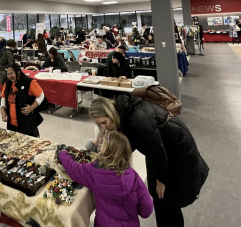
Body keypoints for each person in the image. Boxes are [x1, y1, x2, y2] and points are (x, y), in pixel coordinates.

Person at [89, 96, 209, 227]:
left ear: (110, 113)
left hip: (176, 152)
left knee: (169, 200)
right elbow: (133, 142)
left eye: (104, 122)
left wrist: (161, 179)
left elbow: (157, 150)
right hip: (160, 153)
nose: (103, 127)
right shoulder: (123, 114)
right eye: (99, 124)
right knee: (159, 198)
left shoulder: (137, 119)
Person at [60, 130, 153, 226]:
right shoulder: (134, 176)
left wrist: (63, 154)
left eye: (102, 144)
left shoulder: (93, 171)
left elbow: (74, 169)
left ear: (105, 150)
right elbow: (146, 210)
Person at [1, 63, 45, 137]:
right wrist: (2, 109)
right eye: (8, 74)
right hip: (11, 123)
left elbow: (41, 95)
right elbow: (3, 97)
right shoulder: (7, 83)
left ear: (18, 72)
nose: (9, 76)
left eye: (11, 73)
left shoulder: (29, 82)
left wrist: (31, 107)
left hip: (26, 123)